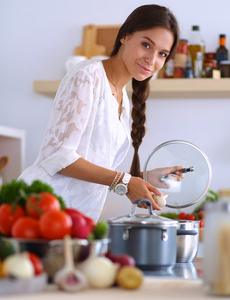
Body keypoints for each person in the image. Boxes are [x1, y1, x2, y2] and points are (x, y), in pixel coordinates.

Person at [18, 4, 183, 221]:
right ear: (125, 36)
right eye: (146, 45)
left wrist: (143, 178)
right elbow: (58, 156)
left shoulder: (123, 99)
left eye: (162, 53)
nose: (152, 60)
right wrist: (125, 181)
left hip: (76, 221)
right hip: (39, 211)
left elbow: (97, 171)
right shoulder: (88, 76)